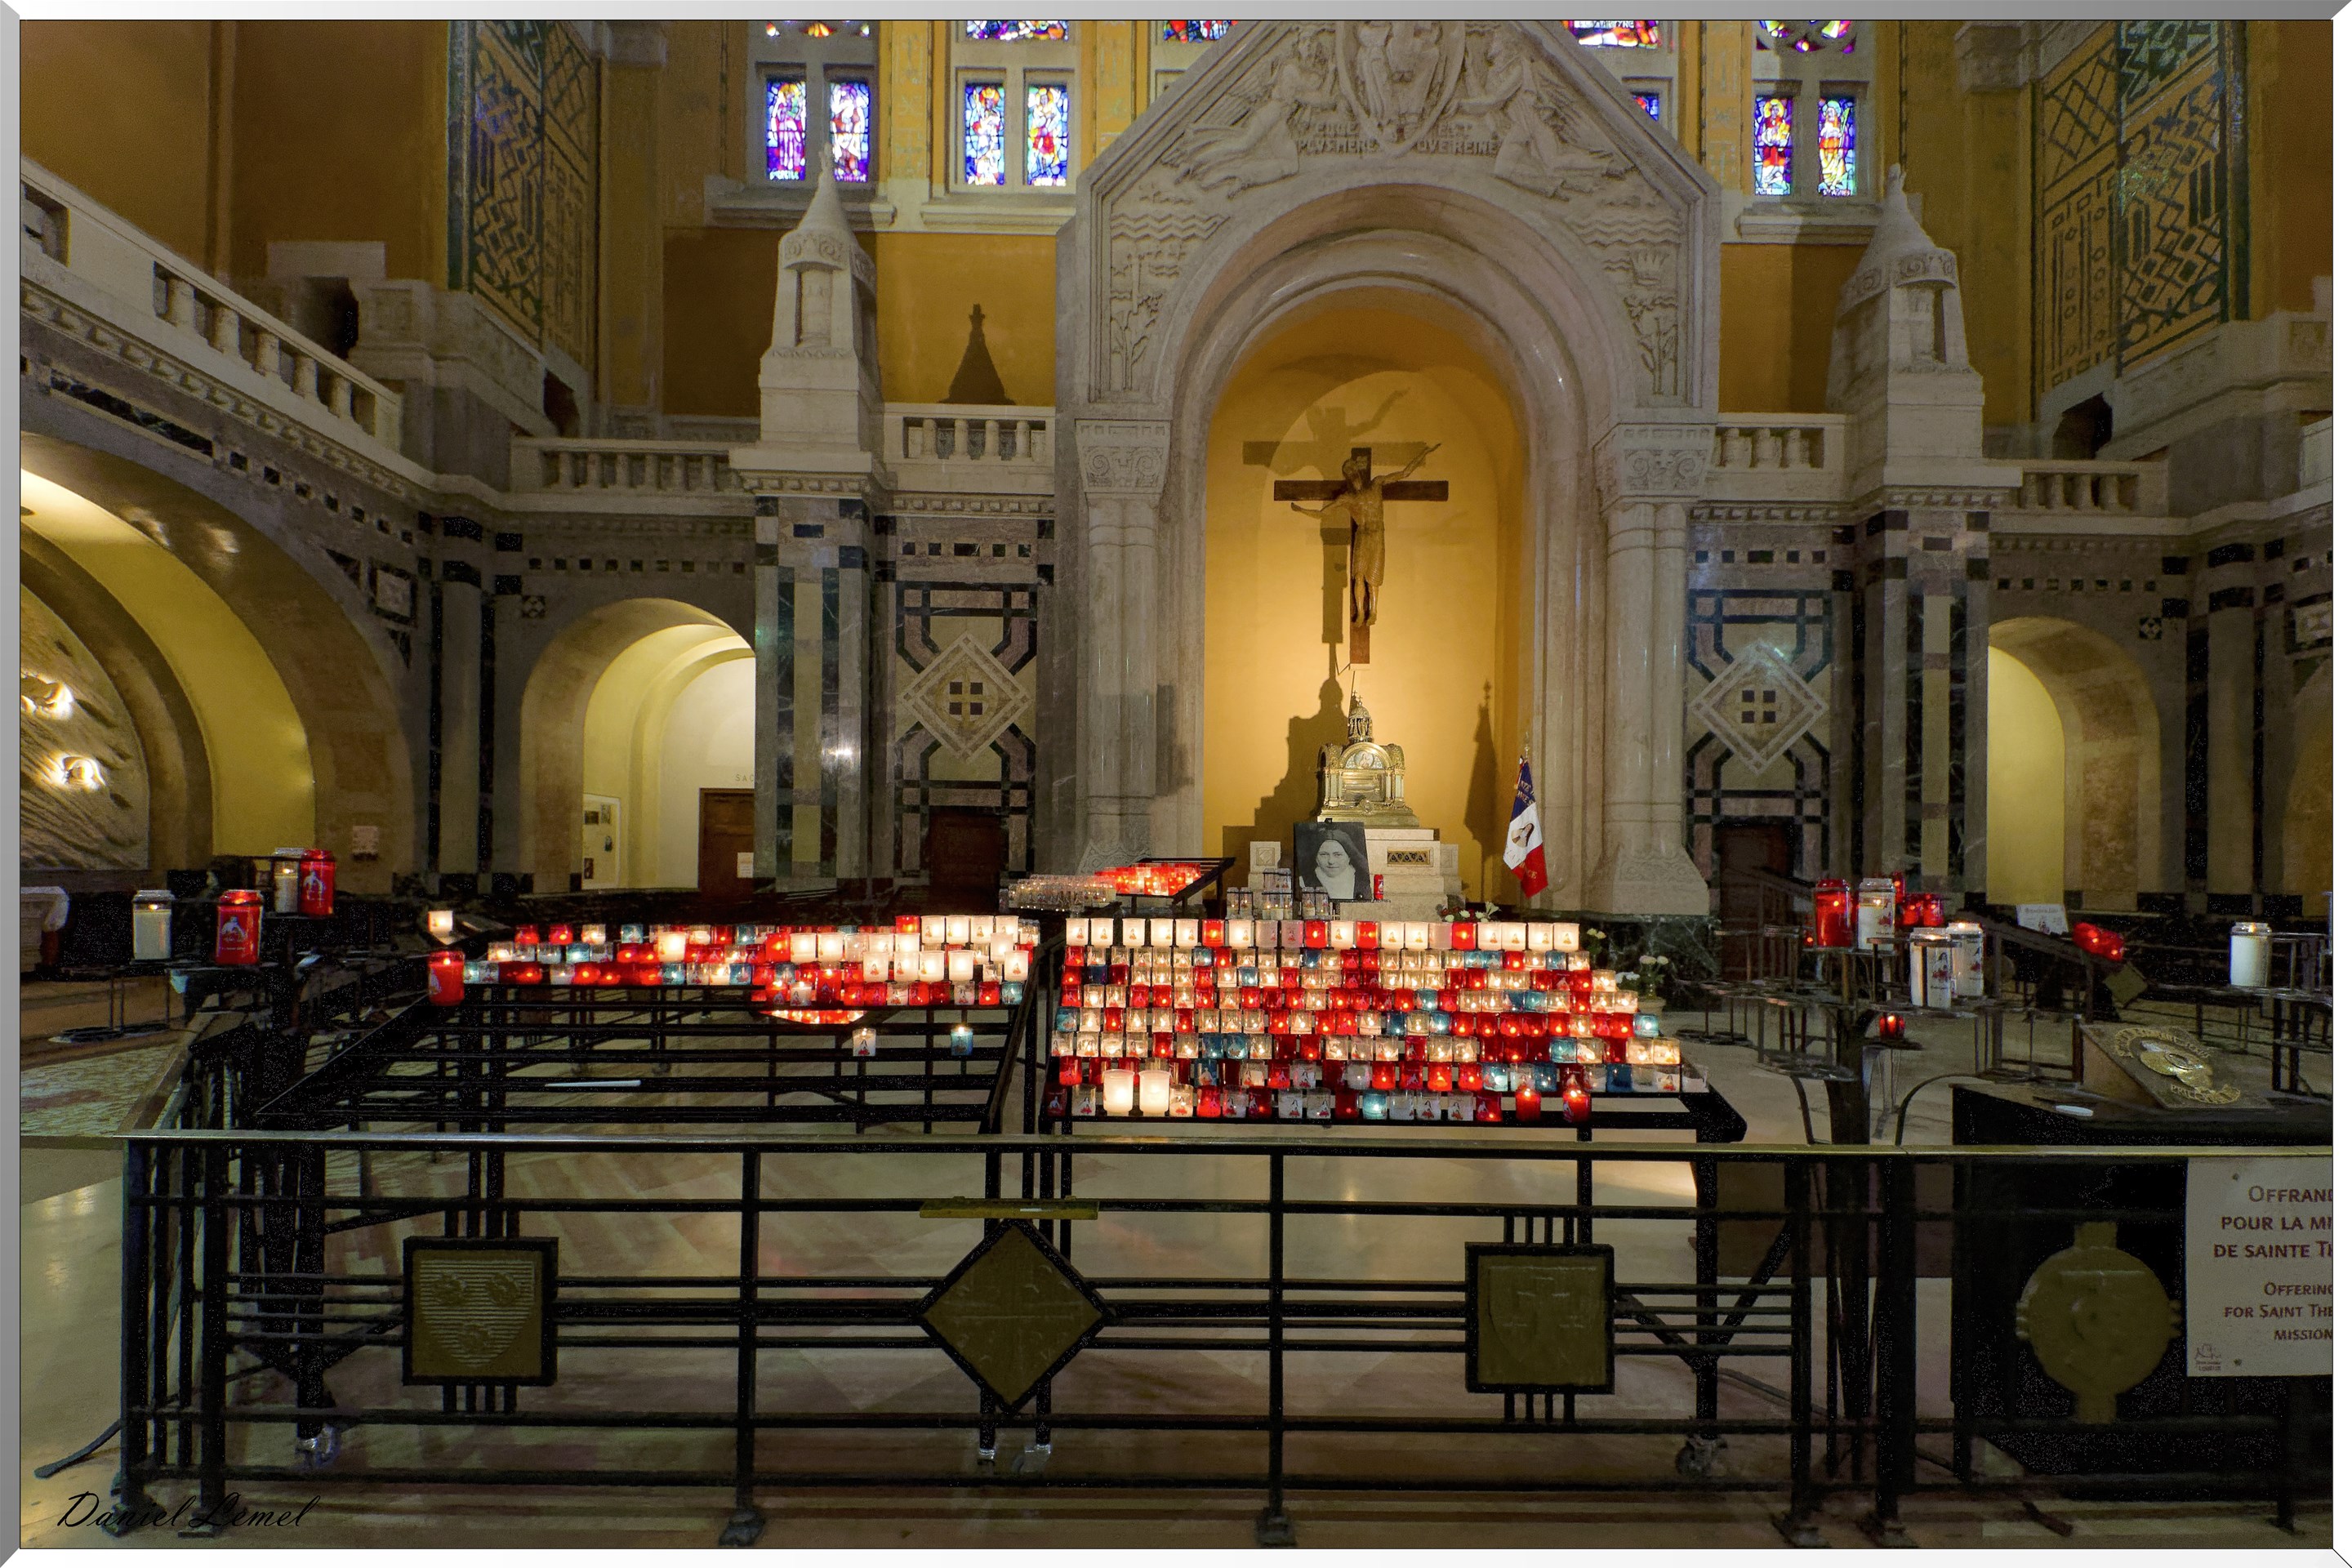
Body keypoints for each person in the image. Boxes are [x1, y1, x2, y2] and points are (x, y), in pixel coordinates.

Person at [1310, 831, 1360, 902]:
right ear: (1316, 858)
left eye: (1338, 855)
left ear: (1349, 857)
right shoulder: (1304, 882)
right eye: (1324, 854)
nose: (1331, 861)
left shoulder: (1362, 882)